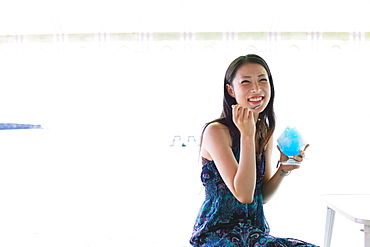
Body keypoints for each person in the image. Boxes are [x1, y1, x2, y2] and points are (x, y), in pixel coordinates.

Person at [189, 54, 317, 246]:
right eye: (246, 82)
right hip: (216, 234)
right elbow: (244, 195)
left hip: (254, 233)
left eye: (262, 80)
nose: (256, 88)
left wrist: (283, 170)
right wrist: (247, 136)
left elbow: (261, 196)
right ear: (231, 90)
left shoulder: (263, 131)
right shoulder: (216, 132)